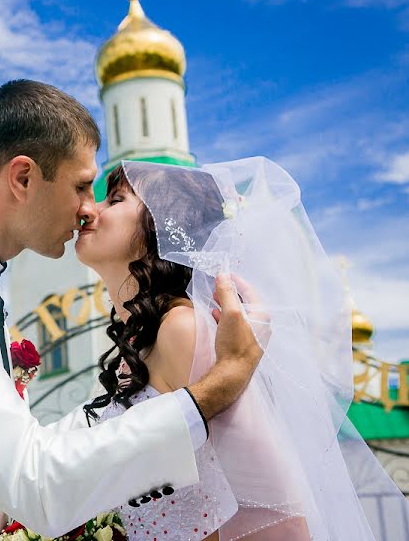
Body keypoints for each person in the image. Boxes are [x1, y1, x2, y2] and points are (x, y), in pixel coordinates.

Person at [0, 80, 262, 541]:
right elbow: (32, 480)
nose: (86, 209)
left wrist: (129, 402)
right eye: (80, 187)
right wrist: (217, 386)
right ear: (23, 178)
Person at [75, 159, 409, 540]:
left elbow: (271, 502)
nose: (89, 209)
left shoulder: (183, 330)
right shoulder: (142, 340)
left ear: (160, 227)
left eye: (115, 199)